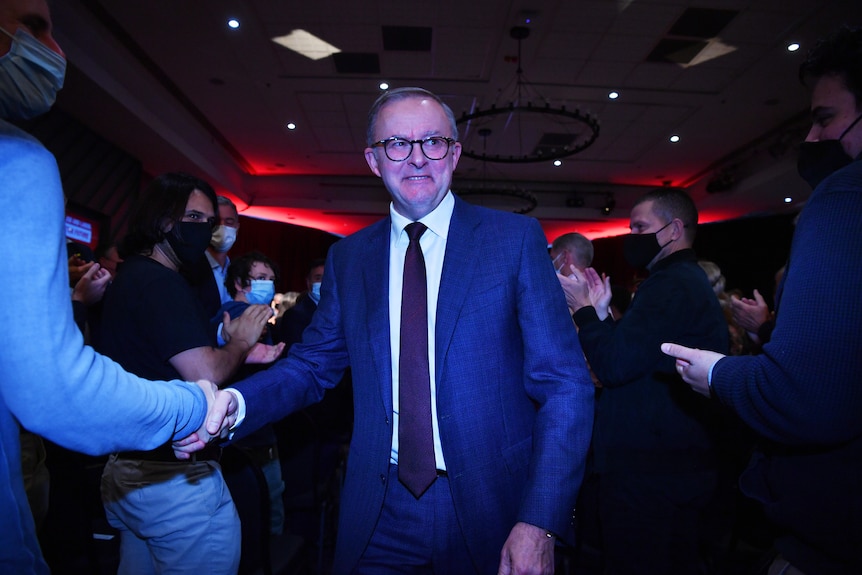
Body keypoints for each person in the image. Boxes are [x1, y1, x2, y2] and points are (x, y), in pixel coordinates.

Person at [188, 87, 596, 575]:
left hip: (498, 507)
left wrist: (540, 521)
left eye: (433, 142)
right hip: (381, 511)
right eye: (398, 144)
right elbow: (313, 365)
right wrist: (239, 404)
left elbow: (565, 385)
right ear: (373, 159)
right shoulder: (350, 258)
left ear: (455, 153)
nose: (418, 157)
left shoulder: (513, 241)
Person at [0, 2, 231, 572]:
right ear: (166, 220)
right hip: (162, 475)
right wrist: (192, 405)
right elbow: (55, 389)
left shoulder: (152, 277)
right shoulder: (16, 163)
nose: (55, 51)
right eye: (32, 27)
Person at [663, 26, 862, 574]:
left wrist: (718, 374)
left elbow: (807, 394)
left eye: (825, 118)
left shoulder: (843, 196)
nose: (815, 138)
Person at [96, 172, 274, 575]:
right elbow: (204, 372)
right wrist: (241, 343)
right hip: (174, 479)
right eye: (192, 218)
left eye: (208, 223)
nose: (204, 230)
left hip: (130, 469)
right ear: (161, 219)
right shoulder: (161, 283)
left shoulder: (133, 277)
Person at [558, 187, 729, 574]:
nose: (631, 236)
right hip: (670, 462)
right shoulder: (680, 281)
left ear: (673, 229)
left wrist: (583, 310)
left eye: (640, 227)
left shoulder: (670, 285)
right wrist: (601, 315)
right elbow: (638, 355)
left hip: (650, 472)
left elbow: (616, 366)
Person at [186, 195, 241, 318]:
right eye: (216, 222)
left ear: (237, 228)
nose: (222, 226)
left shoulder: (237, 273)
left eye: (229, 222)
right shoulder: (188, 268)